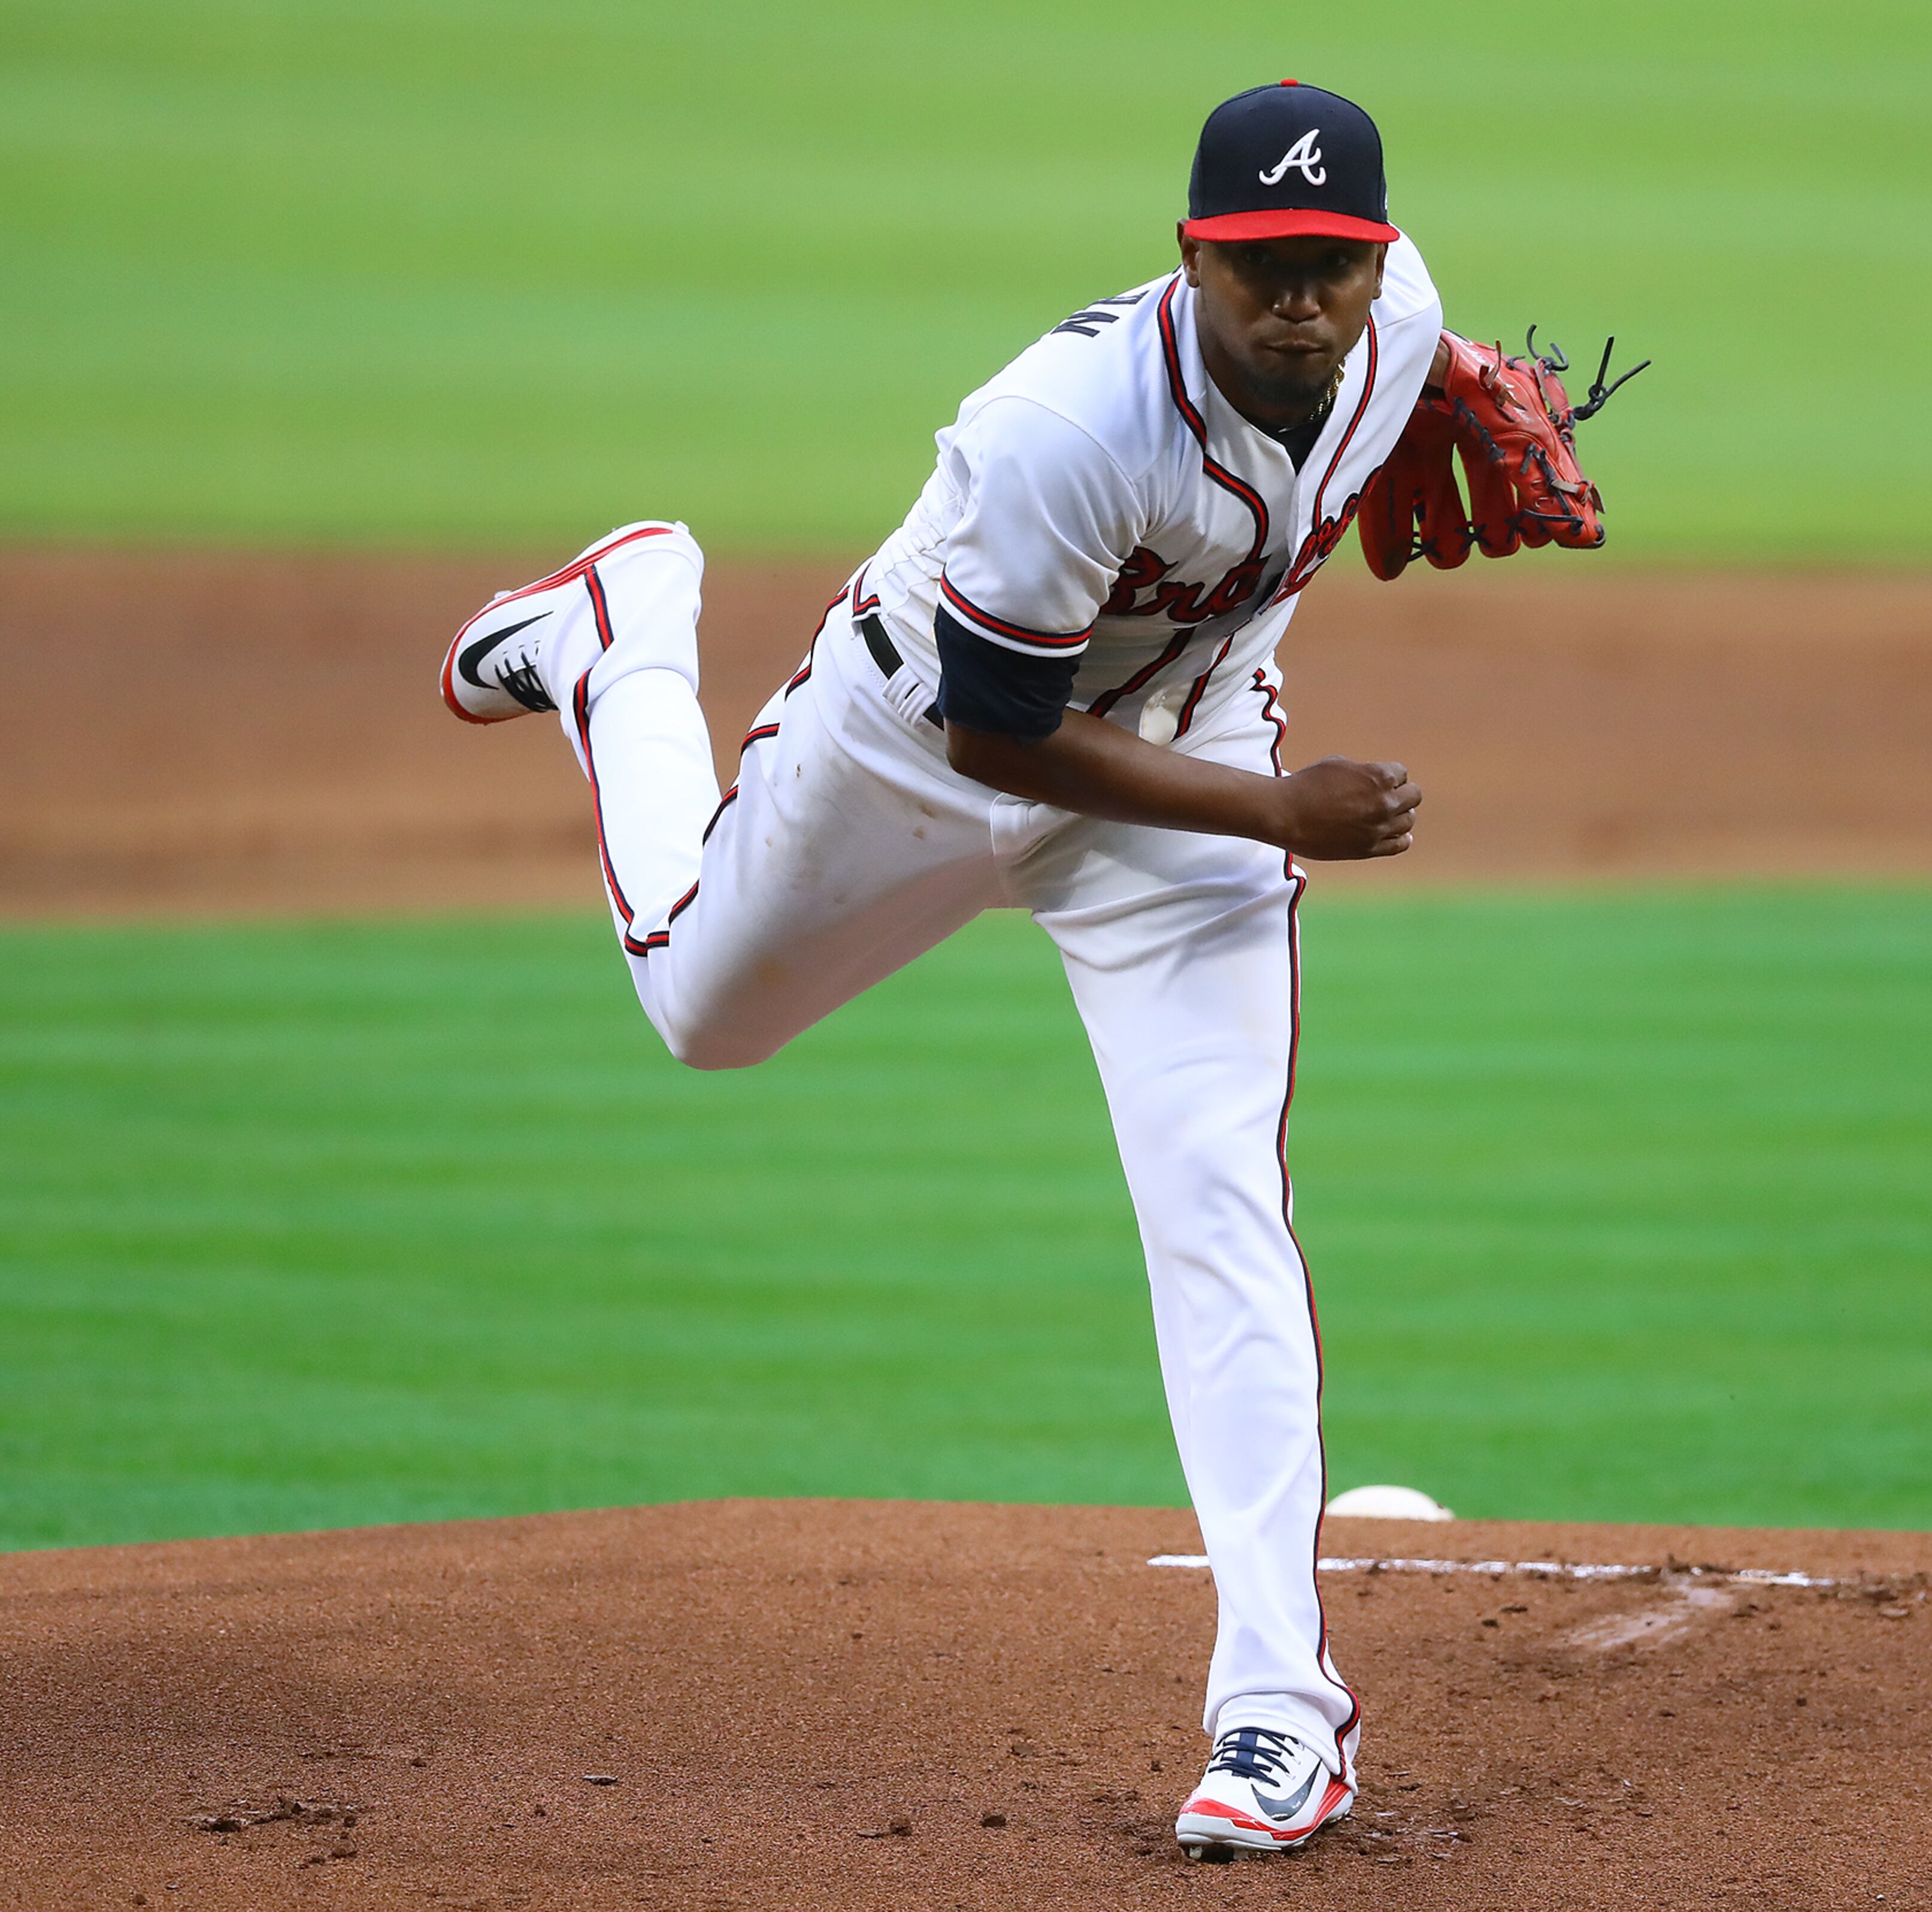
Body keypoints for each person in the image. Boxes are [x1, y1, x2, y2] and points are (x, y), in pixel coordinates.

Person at [443, 80, 1446, 1858]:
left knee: (1219, 1192)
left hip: (1187, 770)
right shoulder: (1060, 427)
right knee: (701, 1007)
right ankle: (619, 642)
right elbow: (1005, 735)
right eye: (1261, 266)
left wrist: (1437, 404)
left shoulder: (1400, 325)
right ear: (1191, 261)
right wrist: (1275, 804)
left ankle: (1281, 1712)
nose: (1301, 301)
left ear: (1376, 265)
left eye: (1334, 266)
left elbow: (1412, 365)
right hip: (920, 741)